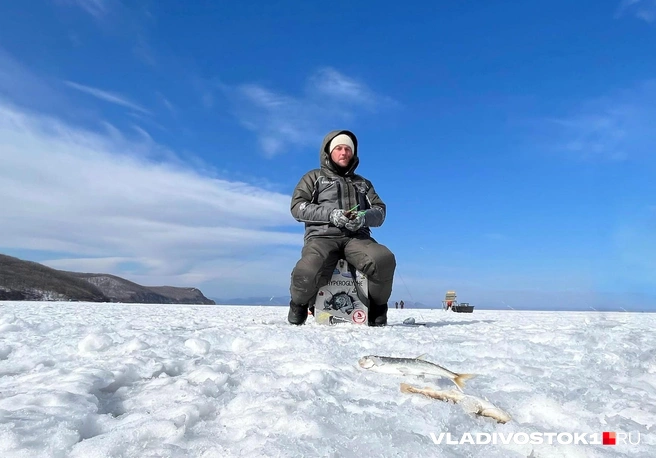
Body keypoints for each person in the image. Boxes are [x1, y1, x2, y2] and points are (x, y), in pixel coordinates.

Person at [287, 130, 396, 326]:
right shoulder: (313, 178)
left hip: (357, 238)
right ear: (328, 151)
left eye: (348, 149)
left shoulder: (363, 183)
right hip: (322, 237)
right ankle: (299, 304)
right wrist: (331, 214)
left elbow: (380, 211)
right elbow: (297, 207)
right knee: (307, 269)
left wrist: (363, 217)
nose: (344, 152)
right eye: (339, 148)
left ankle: (378, 307)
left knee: (383, 259)